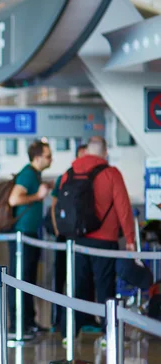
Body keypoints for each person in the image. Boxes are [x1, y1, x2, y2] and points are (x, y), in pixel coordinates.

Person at [58, 136, 135, 338]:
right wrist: (130, 239)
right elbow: (123, 208)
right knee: (104, 285)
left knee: (77, 285)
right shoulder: (111, 173)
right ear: (105, 152)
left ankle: (70, 332)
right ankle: (108, 333)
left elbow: (62, 206)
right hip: (105, 240)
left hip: (76, 240)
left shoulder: (69, 173)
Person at [7, 140, 53, 334]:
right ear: (37, 157)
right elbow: (14, 199)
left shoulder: (35, 174)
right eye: (48, 156)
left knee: (29, 279)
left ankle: (29, 321)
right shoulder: (27, 173)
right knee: (20, 278)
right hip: (22, 234)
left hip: (30, 234)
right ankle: (17, 324)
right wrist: (38, 196)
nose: (51, 159)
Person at [50, 144, 88, 329]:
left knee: (82, 277)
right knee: (61, 276)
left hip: (83, 236)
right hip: (65, 235)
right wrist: (59, 230)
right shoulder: (65, 176)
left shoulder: (94, 177)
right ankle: (58, 319)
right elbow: (55, 204)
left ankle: (82, 319)